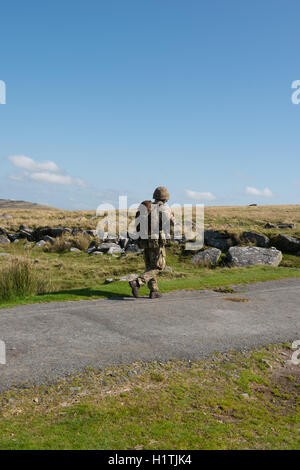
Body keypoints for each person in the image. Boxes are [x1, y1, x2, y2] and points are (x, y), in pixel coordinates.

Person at [129, 186, 175, 299]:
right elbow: (171, 225)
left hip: (144, 240)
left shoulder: (147, 207)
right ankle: (137, 282)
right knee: (159, 267)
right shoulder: (165, 209)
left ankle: (154, 291)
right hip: (156, 242)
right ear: (166, 198)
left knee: (150, 266)